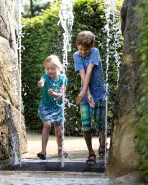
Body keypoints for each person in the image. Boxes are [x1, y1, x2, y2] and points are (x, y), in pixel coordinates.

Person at [73, 31, 108, 165]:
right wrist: (86, 94)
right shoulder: (77, 55)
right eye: (80, 49)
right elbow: (83, 75)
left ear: (92, 45)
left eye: (85, 49)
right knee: (86, 125)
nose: (82, 52)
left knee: (101, 123)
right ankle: (90, 152)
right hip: (86, 94)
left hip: (100, 93)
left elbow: (89, 71)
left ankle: (103, 143)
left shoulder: (95, 52)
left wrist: (84, 92)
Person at [37, 55, 68, 160]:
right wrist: (41, 83)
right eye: (48, 69)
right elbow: (42, 80)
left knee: (59, 131)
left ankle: (60, 149)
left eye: (52, 68)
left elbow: (62, 96)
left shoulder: (63, 79)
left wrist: (54, 94)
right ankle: (43, 151)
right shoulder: (45, 77)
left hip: (58, 108)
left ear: (58, 68)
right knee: (47, 124)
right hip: (45, 107)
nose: (50, 71)